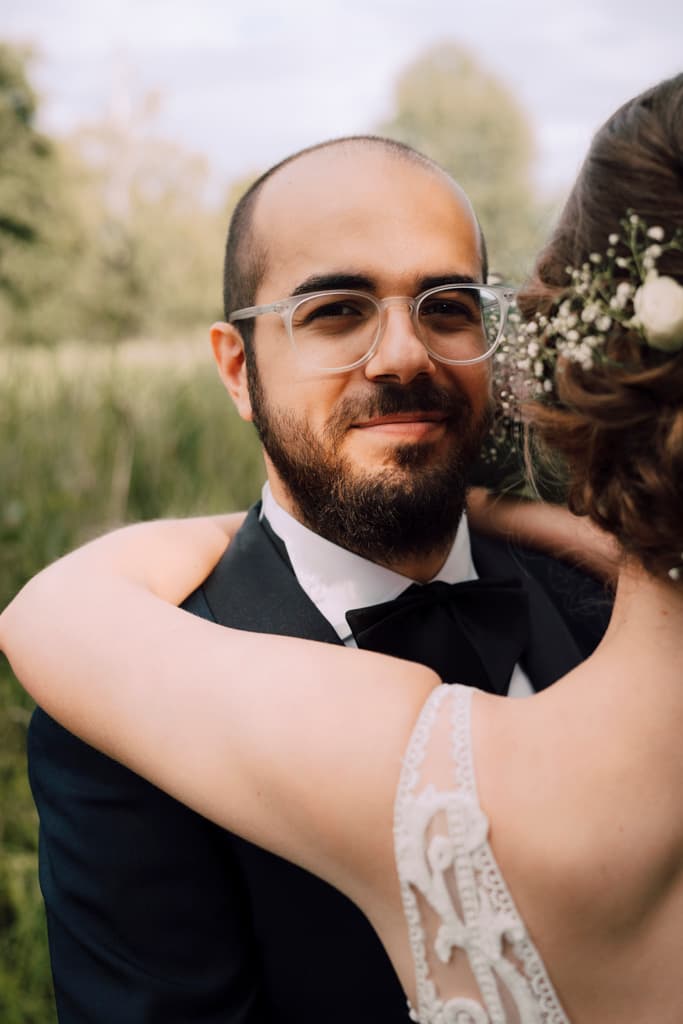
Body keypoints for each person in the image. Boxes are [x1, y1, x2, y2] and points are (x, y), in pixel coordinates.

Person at [3, 74, 683, 1021]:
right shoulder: (115, 734)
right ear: (237, 370)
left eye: (446, 305)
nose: (404, 355)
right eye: (335, 311)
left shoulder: (606, 604)